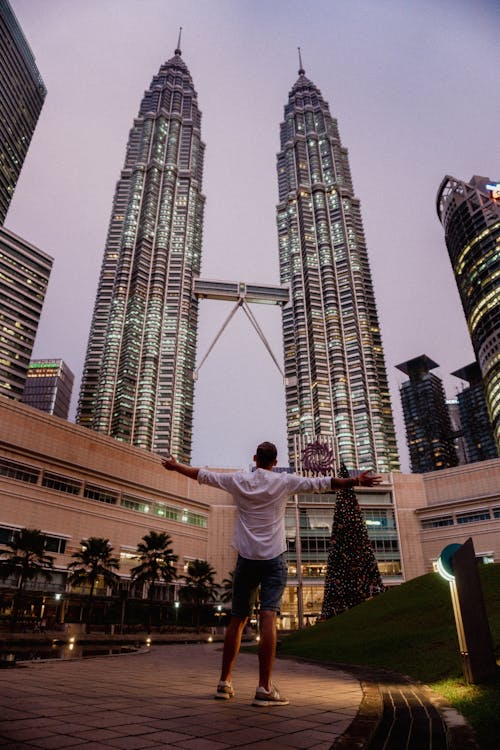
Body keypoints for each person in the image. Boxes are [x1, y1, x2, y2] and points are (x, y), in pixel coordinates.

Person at [162, 441, 382, 707]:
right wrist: (354, 481)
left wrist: (175, 467)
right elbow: (323, 483)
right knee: (268, 615)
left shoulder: (238, 480)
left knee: (237, 619)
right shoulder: (284, 482)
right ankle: (264, 688)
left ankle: (224, 683)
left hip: (246, 559)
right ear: (275, 462)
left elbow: (203, 475)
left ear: (255, 458)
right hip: (273, 559)